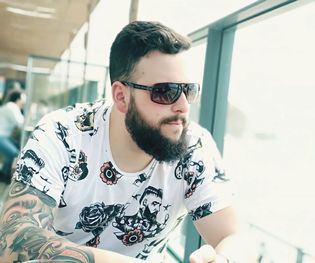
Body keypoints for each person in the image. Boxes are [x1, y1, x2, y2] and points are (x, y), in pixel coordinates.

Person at [0, 21, 245, 262]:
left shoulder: (194, 145)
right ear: (121, 96)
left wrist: (222, 259)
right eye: (165, 92)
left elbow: (233, 235)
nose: (182, 106)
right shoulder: (62, 134)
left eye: (188, 90)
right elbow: (14, 238)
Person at [0, 89, 26, 183]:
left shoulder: (11, 106)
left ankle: (4, 173)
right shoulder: (12, 107)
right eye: (23, 98)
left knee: (16, 151)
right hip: (1, 136)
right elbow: (21, 123)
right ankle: (4, 175)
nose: (24, 102)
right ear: (18, 99)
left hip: (4, 136)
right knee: (14, 153)